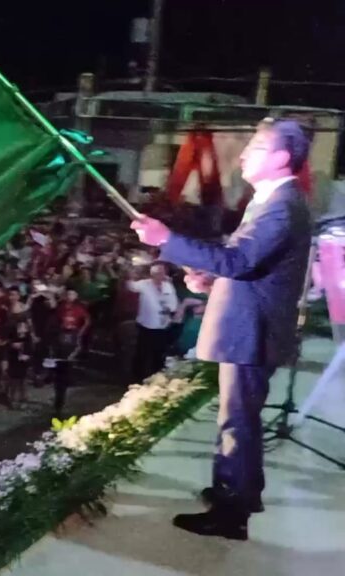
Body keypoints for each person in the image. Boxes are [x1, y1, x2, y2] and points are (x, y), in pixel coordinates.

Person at [131, 119, 313, 540]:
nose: (245, 154)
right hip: (251, 324)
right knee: (238, 418)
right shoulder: (271, 200)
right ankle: (240, 491)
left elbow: (240, 260)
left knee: (238, 421)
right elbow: (246, 263)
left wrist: (166, 238)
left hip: (253, 331)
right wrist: (212, 280)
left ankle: (232, 514)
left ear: (282, 157)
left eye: (256, 147)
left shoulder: (282, 206)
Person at [126, 264, 179, 381]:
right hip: (146, 325)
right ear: (152, 274)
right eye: (157, 273)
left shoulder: (168, 286)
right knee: (142, 352)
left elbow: (174, 303)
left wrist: (169, 309)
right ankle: (137, 377)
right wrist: (130, 273)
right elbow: (130, 286)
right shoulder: (144, 284)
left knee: (159, 353)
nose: (160, 275)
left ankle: (156, 377)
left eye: (162, 272)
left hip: (162, 325)